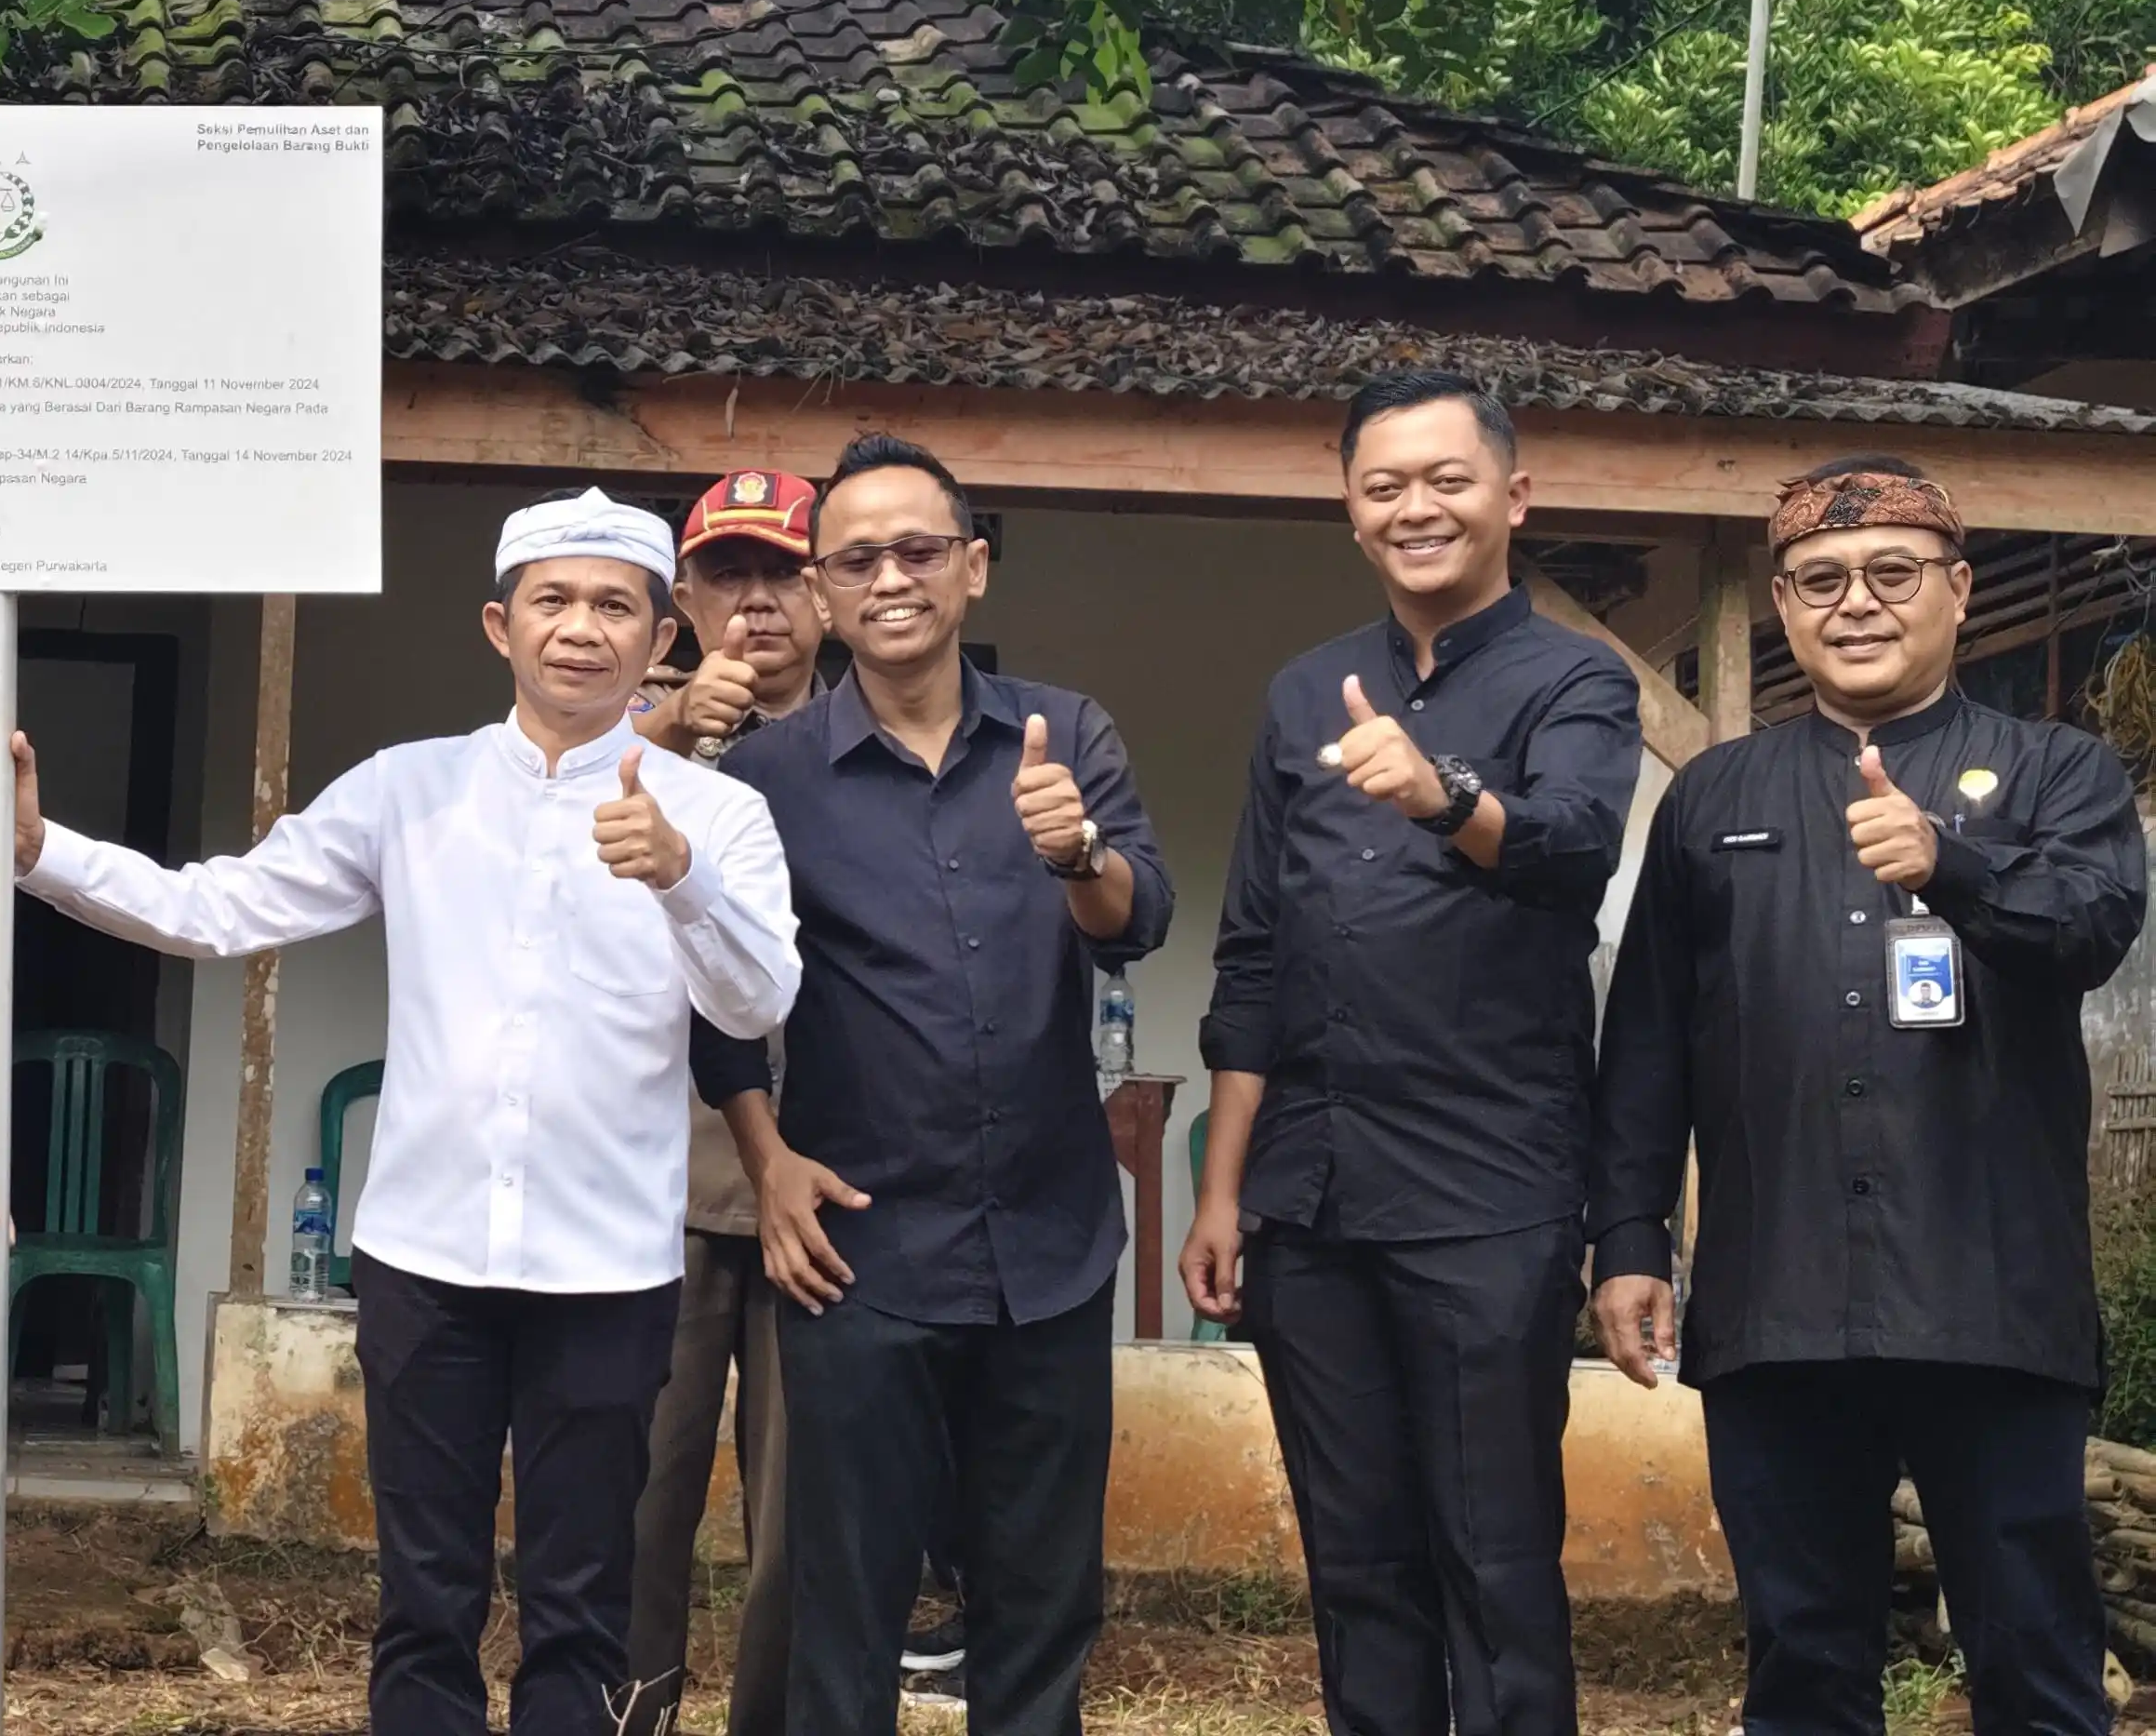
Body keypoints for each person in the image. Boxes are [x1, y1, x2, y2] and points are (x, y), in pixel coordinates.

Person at [0, 487, 802, 1736]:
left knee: (582, 1606)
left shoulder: (721, 817)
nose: (582, 629)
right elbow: (219, 909)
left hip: (611, 1270)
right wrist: (40, 850)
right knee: (424, 1598)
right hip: (427, 1261)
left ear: (660, 636)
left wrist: (680, 880)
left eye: (615, 604)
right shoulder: (413, 791)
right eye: (553, 602)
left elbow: (759, 995)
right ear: (497, 627)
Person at [1591, 456, 2149, 1736]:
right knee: (1802, 1662)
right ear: (1783, 605)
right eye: (1820, 580)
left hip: (1992, 1297)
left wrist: (1952, 863)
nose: (1856, 604)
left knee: (2035, 1662)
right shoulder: (1712, 798)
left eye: (1892, 574)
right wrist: (1627, 1241)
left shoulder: (2058, 772)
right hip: (1777, 1303)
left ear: (1956, 592)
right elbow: (1649, 1041)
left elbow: (2091, 927)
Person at [1175, 371, 1642, 1736]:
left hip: (1488, 1193)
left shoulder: (1575, 678)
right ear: (1351, 510)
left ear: (1514, 494)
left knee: (1494, 1555)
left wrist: (1447, 797)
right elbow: (1252, 954)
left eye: (1446, 478)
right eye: (1385, 486)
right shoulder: (1304, 691)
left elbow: (1573, 848)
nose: (1416, 507)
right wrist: (1222, 1192)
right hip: (1310, 1200)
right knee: (1356, 1558)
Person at [692, 431, 1172, 1736]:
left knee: (1040, 1606)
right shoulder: (768, 780)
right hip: (858, 1251)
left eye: (917, 551)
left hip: (1051, 1241)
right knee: (842, 1612)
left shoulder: (1064, 731)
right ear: (824, 593)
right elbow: (722, 1006)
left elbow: (1140, 919)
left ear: (973, 569)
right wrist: (768, 1159)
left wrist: (1077, 854)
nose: (888, 579)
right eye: (855, 560)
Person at [621, 469, 822, 1736]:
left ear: (828, 593)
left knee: (806, 1510)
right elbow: (528, 829)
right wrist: (676, 731)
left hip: (822, 1176)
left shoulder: (874, 735)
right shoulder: (617, 729)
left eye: (781, 573)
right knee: (636, 1489)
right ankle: (623, 1713)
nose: (755, 602)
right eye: (726, 575)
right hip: (656, 1176)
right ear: (683, 599)